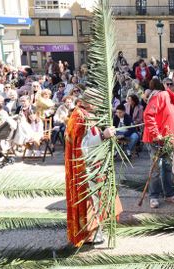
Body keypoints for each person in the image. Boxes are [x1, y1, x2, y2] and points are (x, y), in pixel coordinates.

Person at [65, 95, 122, 246]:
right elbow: (83, 148)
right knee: (92, 202)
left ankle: (96, 232)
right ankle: (93, 234)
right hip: (86, 168)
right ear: (89, 102)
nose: (100, 103)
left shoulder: (84, 115)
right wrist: (103, 136)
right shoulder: (80, 118)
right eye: (97, 100)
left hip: (91, 166)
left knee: (96, 201)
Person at [142, 78, 174, 209]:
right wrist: (156, 134)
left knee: (166, 167)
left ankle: (169, 194)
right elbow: (148, 114)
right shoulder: (162, 96)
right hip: (154, 139)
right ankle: (153, 196)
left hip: (168, 140)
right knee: (156, 169)